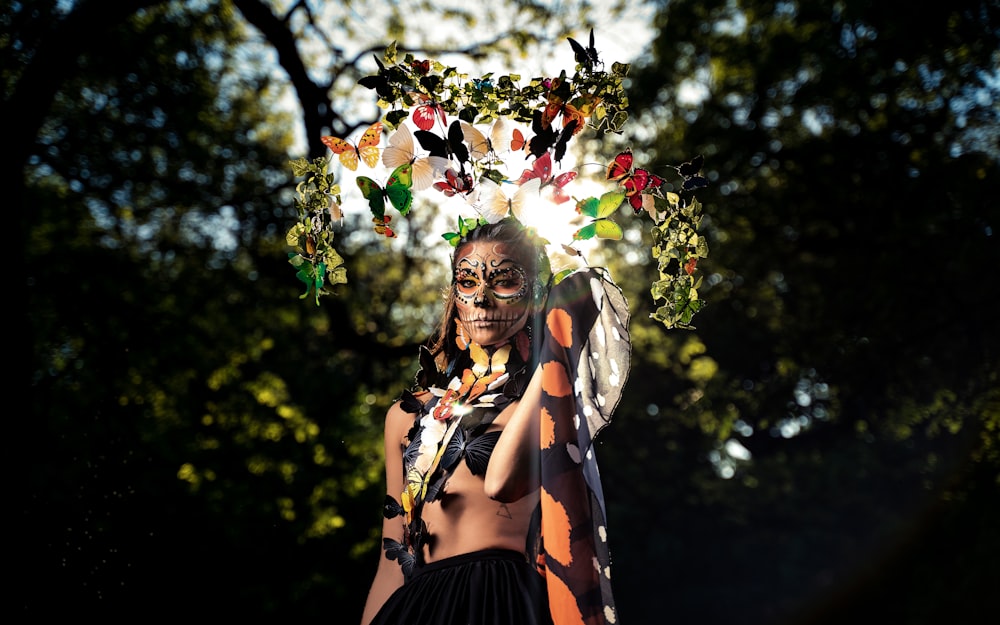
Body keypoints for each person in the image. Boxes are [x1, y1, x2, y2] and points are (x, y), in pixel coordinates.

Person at [360, 216, 631, 625]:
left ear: (535, 296)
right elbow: (391, 557)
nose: (482, 300)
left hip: (499, 599)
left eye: (505, 281)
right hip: (415, 607)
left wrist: (556, 351)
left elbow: (501, 482)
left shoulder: (545, 403)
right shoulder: (406, 415)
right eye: (467, 282)